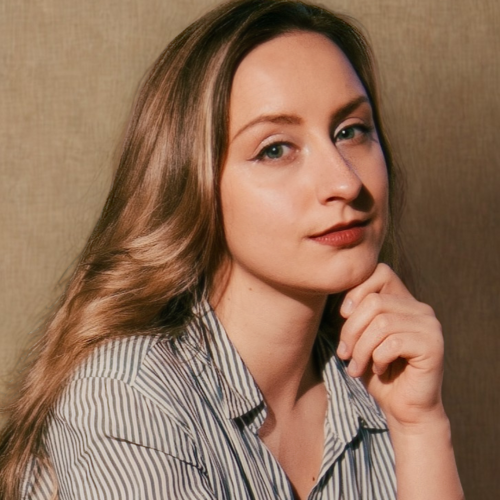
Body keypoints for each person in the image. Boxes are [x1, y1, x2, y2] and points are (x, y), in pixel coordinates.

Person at [0, 0, 464, 498]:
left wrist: (421, 427)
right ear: (195, 185)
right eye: (275, 149)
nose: (345, 183)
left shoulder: (377, 383)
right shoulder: (128, 391)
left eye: (350, 131)